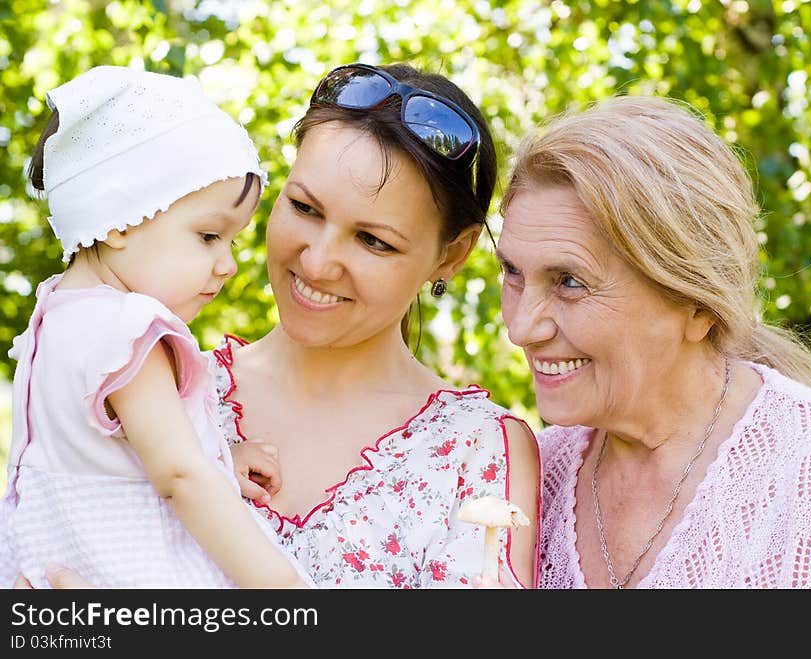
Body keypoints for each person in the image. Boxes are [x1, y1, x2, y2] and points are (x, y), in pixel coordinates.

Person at [15, 62, 541, 589]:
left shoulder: (476, 455)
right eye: (305, 208)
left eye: (373, 240)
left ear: (452, 254)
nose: (317, 262)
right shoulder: (158, 386)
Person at [497, 94, 811, 589]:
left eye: (570, 281)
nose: (522, 328)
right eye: (512, 272)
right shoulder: (526, 480)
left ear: (697, 306)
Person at [1, 66, 313, 589]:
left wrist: (219, 456)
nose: (229, 264)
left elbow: (107, 461)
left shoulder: (55, 316)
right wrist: (288, 594)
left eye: (232, 242)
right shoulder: (129, 329)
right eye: (209, 235)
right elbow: (181, 476)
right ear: (119, 219)